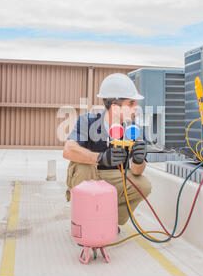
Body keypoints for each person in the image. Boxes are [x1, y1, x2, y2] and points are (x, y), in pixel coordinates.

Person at [63, 73, 152, 226]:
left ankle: (109, 221)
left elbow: (137, 172)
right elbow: (68, 150)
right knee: (83, 168)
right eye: (131, 103)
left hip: (114, 177)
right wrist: (100, 158)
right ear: (115, 107)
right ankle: (84, 222)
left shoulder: (133, 129)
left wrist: (138, 160)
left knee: (144, 185)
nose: (136, 107)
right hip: (89, 175)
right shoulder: (88, 121)